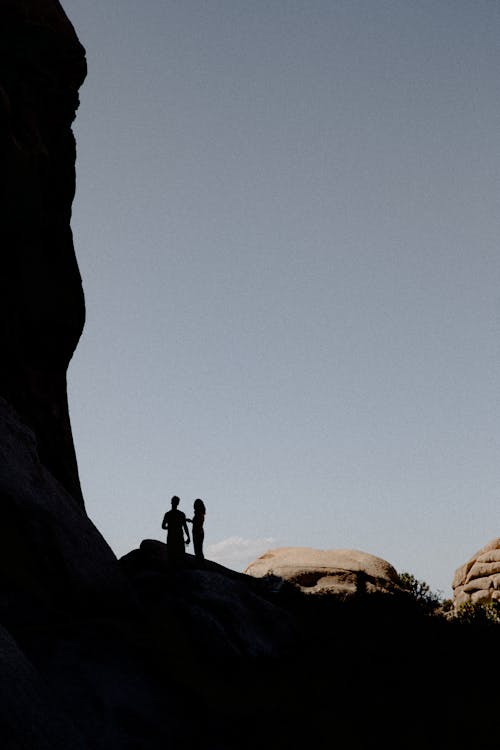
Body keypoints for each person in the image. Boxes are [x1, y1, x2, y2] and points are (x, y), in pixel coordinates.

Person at [161, 496, 190, 565]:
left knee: (171, 556)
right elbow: (185, 526)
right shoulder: (181, 514)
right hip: (179, 537)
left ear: (171, 502)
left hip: (171, 537)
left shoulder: (168, 514)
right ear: (178, 503)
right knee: (180, 555)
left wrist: (170, 527)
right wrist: (188, 537)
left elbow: (163, 526)